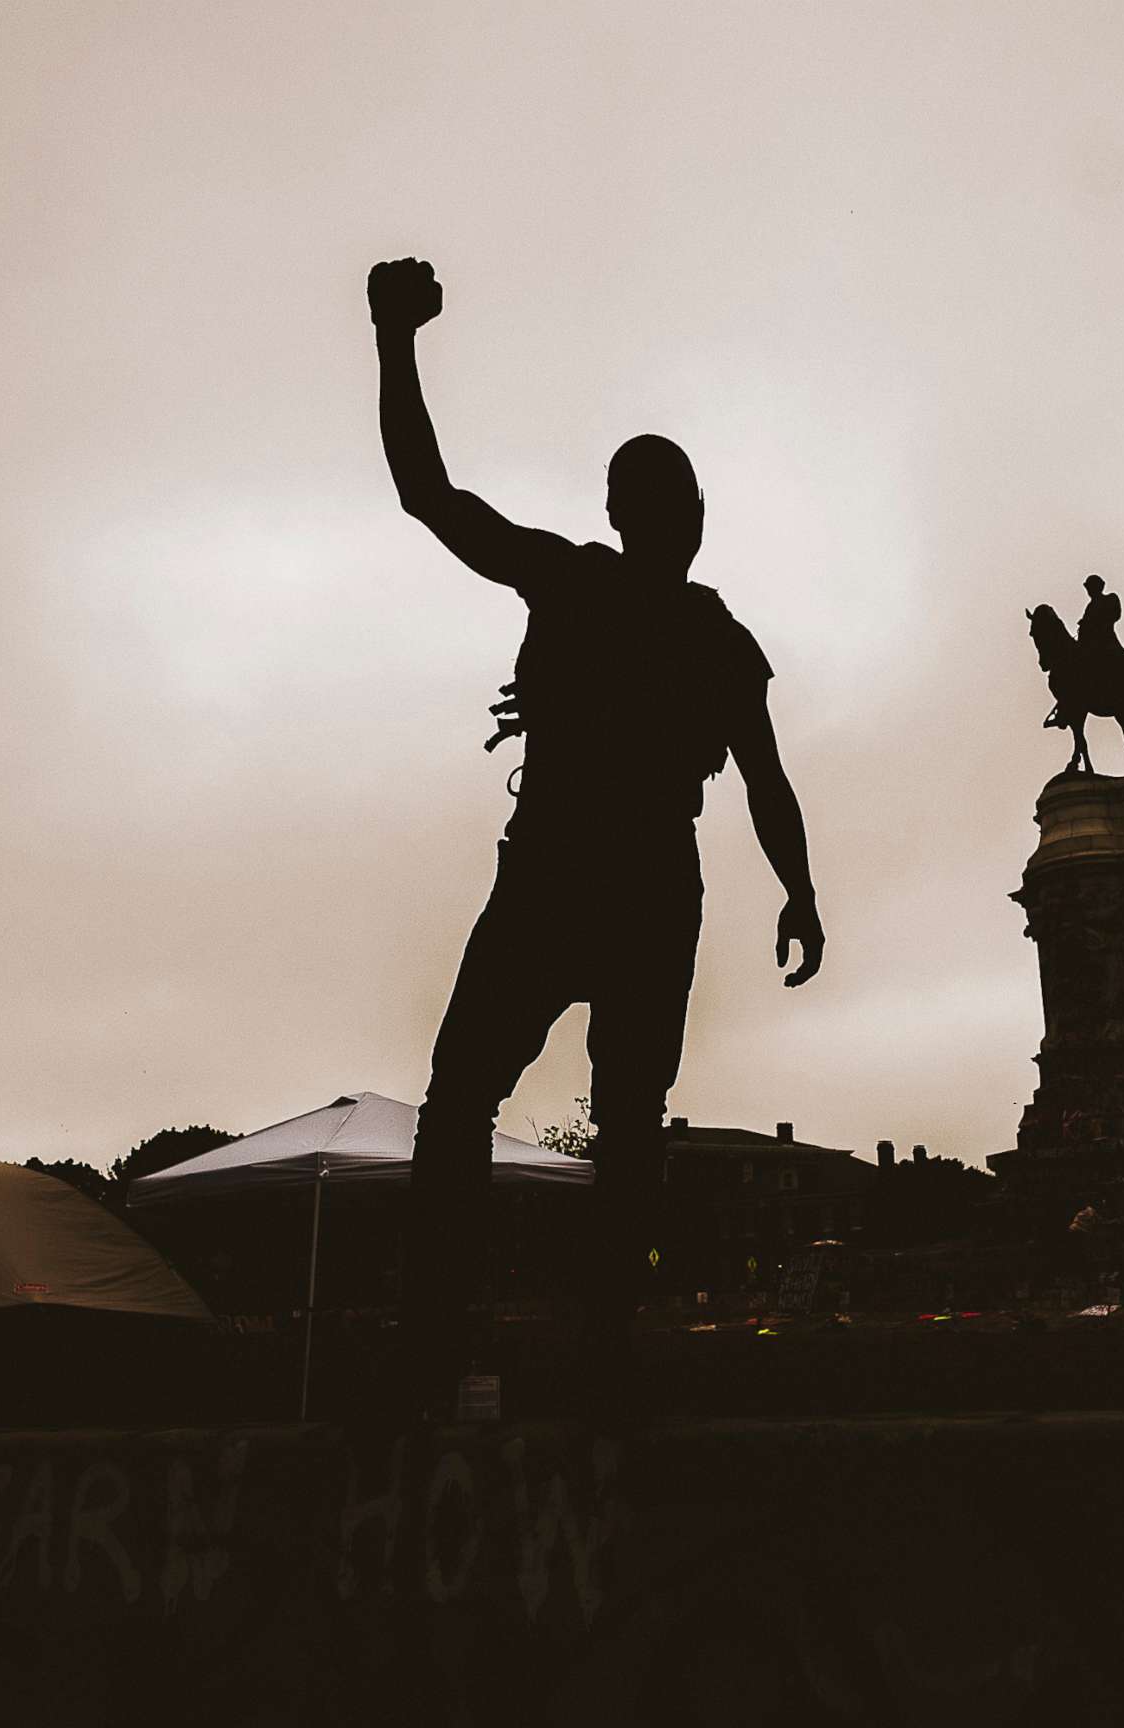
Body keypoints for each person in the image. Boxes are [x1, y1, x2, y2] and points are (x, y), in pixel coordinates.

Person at [367, 257, 826, 1411]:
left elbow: (769, 779)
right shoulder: (624, 602)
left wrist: (802, 886)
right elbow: (430, 495)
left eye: (682, 498)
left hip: (594, 879)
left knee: (530, 1110)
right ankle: (550, 1346)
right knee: (569, 1115)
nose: (683, 514)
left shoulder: (675, 622)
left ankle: (514, 1346)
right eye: (670, 497)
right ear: (638, 516)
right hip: (605, 881)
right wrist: (392, 343)